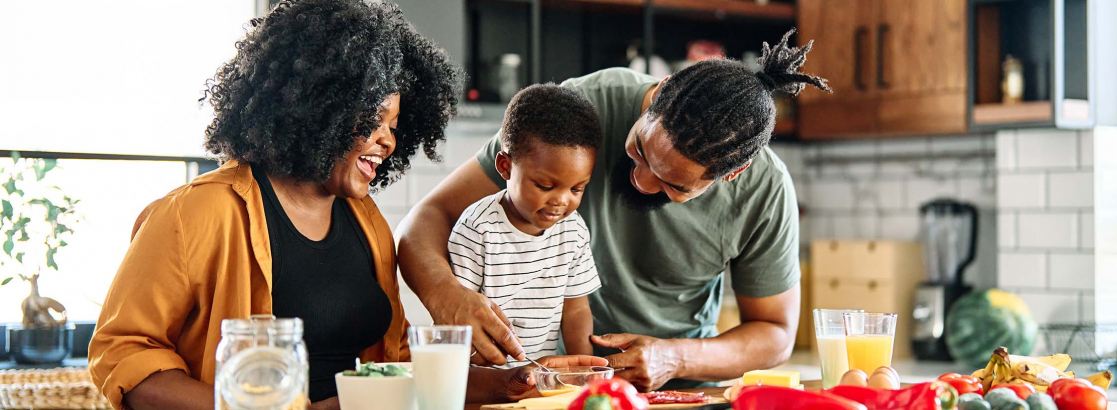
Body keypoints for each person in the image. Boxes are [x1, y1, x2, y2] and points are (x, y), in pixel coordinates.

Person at [88, 1, 601, 409]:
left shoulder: (367, 223)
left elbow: (398, 368)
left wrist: (513, 382)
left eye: (395, 128)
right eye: (372, 122)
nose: (387, 142)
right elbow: (124, 355)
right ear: (315, 108)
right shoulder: (196, 213)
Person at [398, 29, 831, 391]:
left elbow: (775, 334)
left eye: (674, 185)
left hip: (670, 393)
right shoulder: (577, 112)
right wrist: (447, 297)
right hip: (543, 387)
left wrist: (674, 357)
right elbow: (427, 218)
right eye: (639, 150)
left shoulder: (765, 190)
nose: (641, 180)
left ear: (731, 175)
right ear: (659, 92)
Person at [449, 84, 603, 367]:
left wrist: (584, 373)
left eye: (577, 189)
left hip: (543, 378)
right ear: (505, 166)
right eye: (545, 185)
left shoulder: (573, 231)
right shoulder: (477, 229)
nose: (561, 201)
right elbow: (458, 320)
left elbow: (576, 311)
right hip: (484, 377)